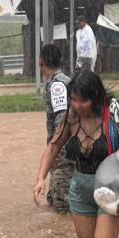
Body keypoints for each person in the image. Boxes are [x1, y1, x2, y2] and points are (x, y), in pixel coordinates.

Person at [34, 69, 119, 238]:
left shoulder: (116, 114)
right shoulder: (71, 118)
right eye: (73, 99)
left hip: (112, 190)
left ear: (96, 97)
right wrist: (41, 179)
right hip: (80, 191)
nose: (77, 105)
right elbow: (52, 147)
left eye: (83, 100)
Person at [39, 43, 73, 214]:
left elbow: (62, 120)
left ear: (41, 62)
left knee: (61, 205)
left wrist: (57, 152)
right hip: (63, 152)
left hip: (62, 154)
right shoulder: (64, 81)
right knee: (55, 200)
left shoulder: (57, 85)